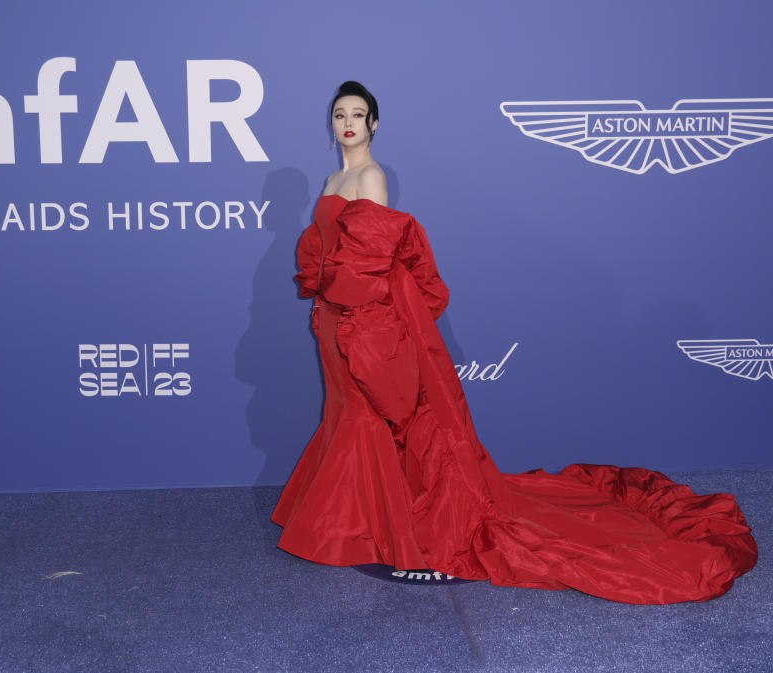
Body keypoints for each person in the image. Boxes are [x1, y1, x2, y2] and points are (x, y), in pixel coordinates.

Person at [270, 81, 757, 604]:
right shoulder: (332, 177)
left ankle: (365, 528)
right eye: (340, 113)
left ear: (374, 124)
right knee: (349, 417)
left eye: (358, 114)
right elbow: (322, 257)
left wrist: (359, 330)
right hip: (332, 319)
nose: (347, 122)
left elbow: (368, 266)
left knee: (370, 419)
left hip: (362, 323)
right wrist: (328, 307)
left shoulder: (371, 177)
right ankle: (358, 522)